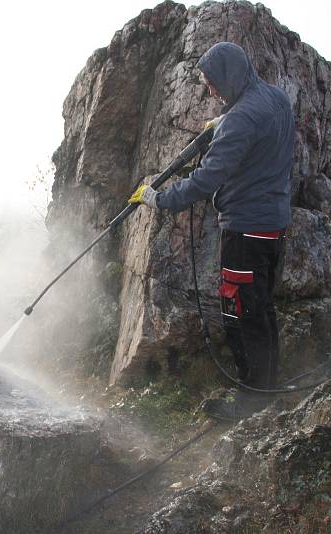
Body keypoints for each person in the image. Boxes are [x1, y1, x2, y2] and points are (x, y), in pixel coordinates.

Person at [128, 42, 295, 420]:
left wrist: (159, 199)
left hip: (246, 230)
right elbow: (259, 128)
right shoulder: (276, 100)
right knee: (261, 308)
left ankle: (250, 404)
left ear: (229, 77)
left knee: (240, 312)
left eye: (212, 82)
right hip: (272, 226)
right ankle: (266, 387)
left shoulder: (241, 119)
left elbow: (205, 181)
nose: (210, 90)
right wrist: (227, 120)